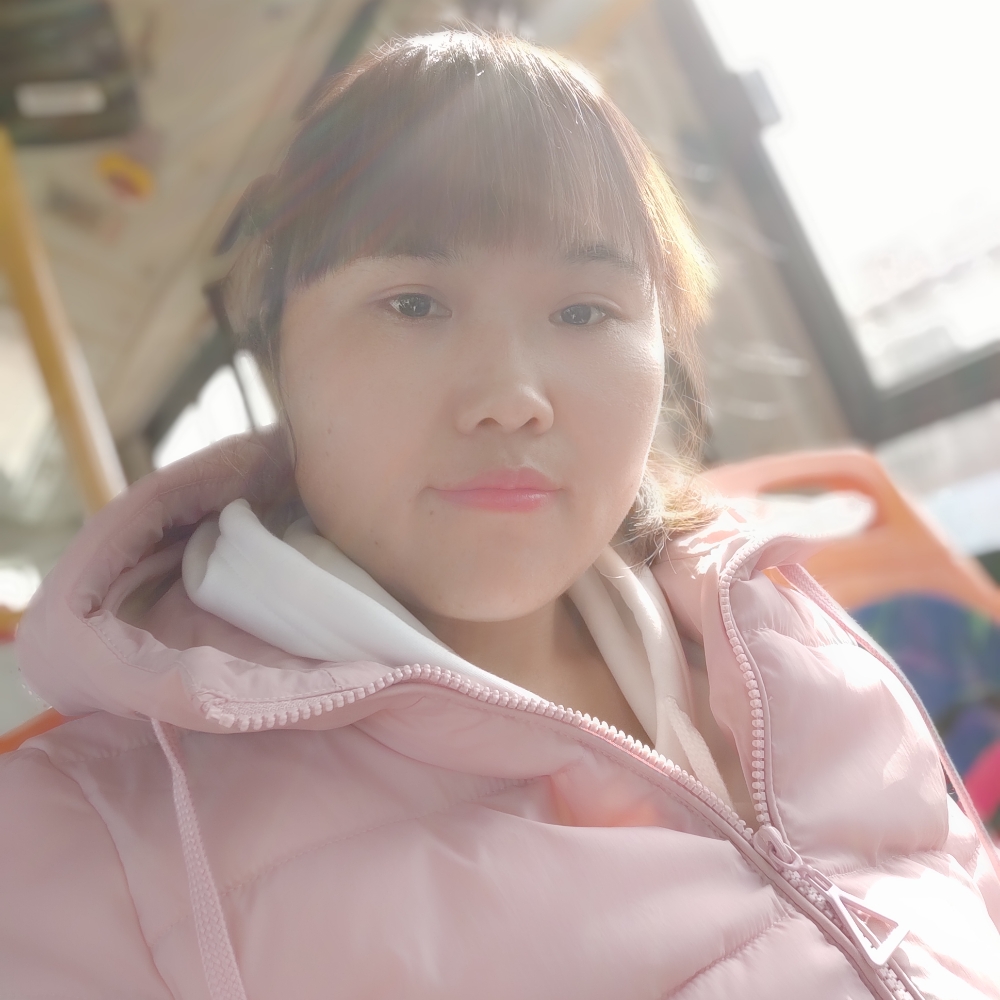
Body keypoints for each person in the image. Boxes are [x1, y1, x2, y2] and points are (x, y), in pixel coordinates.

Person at [1, 30, 998, 1000]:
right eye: (414, 303)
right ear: (277, 360)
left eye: (583, 311)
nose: (512, 397)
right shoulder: (88, 844)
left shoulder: (780, 630)